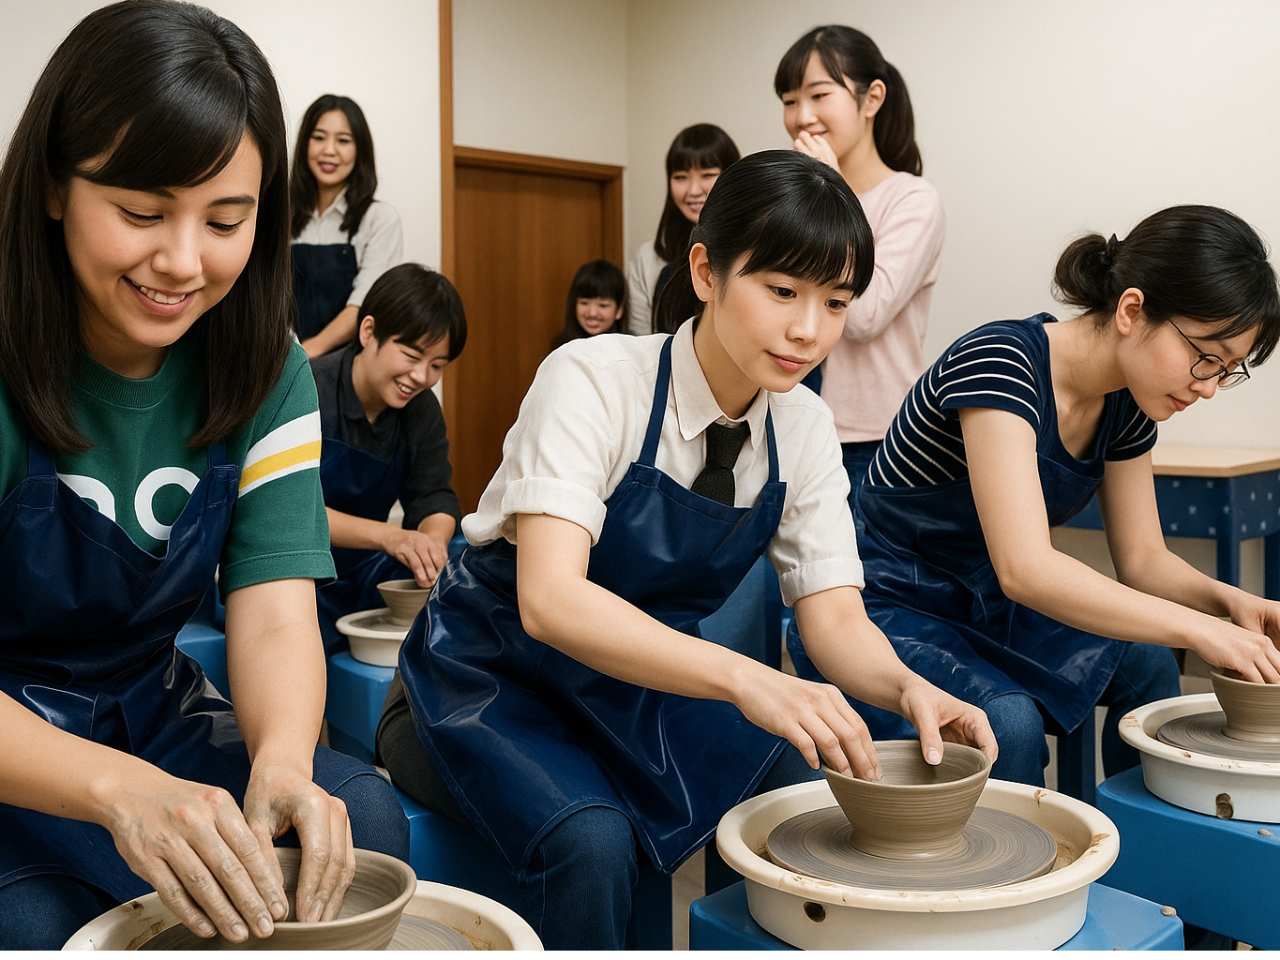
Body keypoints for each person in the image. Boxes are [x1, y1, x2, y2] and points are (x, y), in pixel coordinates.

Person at [376, 150, 996, 950]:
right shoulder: (593, 379)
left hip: (638, 687)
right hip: (483, 678)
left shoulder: (802, 427)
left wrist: (909, 688)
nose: (810, 329)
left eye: (836, 302)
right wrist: (748, 679)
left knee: (797, 781)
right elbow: (551, 599)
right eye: (782, 291)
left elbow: (836, 619)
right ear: (705, 271)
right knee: (594, 843)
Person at [0, 3, 408, 950]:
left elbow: (269, 604)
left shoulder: (265, 365)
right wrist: (119, 791)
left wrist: (281, 759)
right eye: (142, 213)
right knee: (43, 920)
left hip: (151, 699)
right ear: (57, 187)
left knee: (354, 828)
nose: (182, 262)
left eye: (226, 220)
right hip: (15, 733)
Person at [787, 205, 1280, 790]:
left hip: (990, 603)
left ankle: (1140, 847)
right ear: (1131, 310)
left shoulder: (1127, 404)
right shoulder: (1003, 362)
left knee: (1146, 663)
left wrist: (1232, 607)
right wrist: (1201, 632)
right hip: (887, 603)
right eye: (1204, 357)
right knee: (1007, 725)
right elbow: (1025, 568)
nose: (1207, 387)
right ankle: (1015, 875)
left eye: (1226, 371)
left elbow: (1144, 560)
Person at [775, 25, 945, 500]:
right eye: (789, 100)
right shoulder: (796, 200)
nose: (801, 116)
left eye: (818, 95)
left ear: (871, 98)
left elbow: (864, 314)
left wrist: (833, 189)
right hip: (785, 423)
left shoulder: (913, 199)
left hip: (874, 441)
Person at [311, 263, 467, 655]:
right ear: (368, 333)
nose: (420, 376)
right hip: (297, 564)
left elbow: (433, 494)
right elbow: (287, 508)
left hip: (364, 566)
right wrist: (391, 537)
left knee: (466, 556)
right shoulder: (308, 388)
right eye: (411, 355)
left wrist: (432, 542)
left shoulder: (421, 410)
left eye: (437, 366)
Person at [289, 94, 403, 358]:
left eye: (343, 141)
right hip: (284, 360)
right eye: (318, 137)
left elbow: (363, 304)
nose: (329, 150)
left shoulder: (379, 219)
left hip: (347, 367)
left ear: (360, 150)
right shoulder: (282, 217)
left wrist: (307, 351)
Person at [628, 123, 739, 336]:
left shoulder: (754, 248)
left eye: (707, 175)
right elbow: (641, 339)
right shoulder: (648, 259)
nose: (693, 190)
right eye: (680, 177)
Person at [554, 258, 629, 348]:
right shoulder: (563, 348)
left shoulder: (629, 349)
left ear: (619, 310)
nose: (592, 313)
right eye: (584, 303)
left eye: (603, 305)